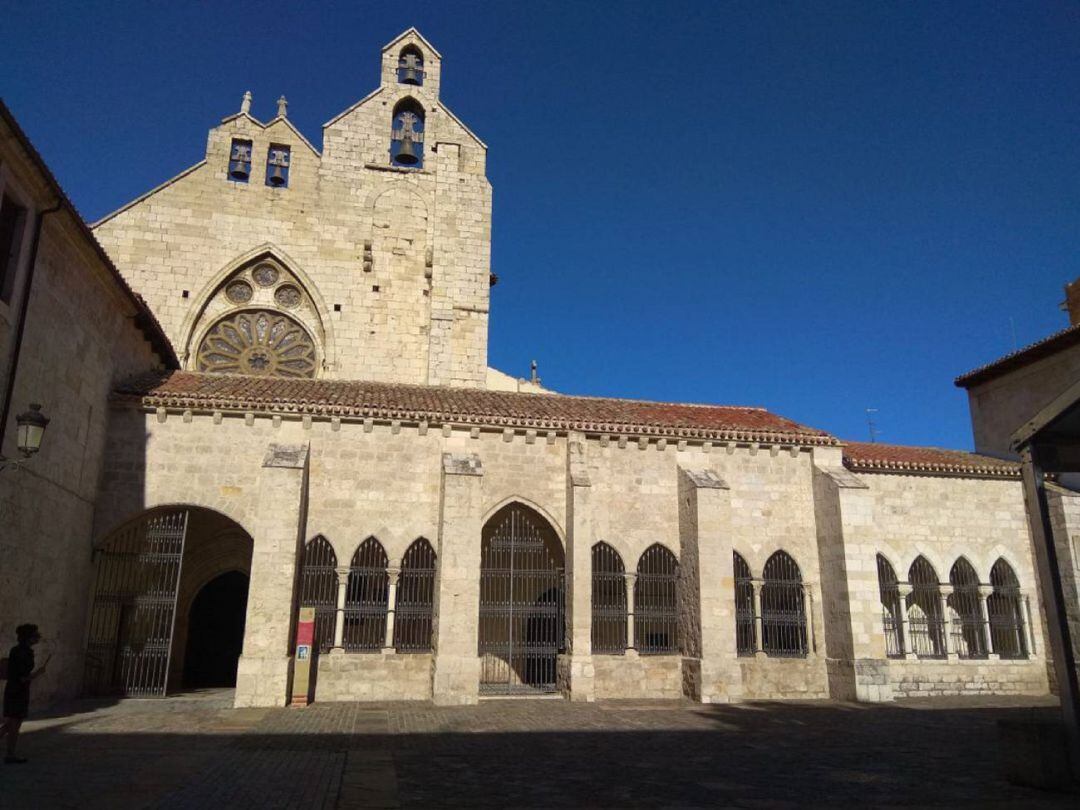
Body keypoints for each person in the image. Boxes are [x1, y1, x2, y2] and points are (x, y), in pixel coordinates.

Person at [0, 624, 49, 764]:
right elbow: (23, 677)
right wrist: (38, 673)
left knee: (11, 723)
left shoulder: (16, 650)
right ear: (29, 638)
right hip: (18, 691)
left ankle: (10, 753)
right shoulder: (24, 653)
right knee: (14, 724)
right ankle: (10, 754)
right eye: (35, 635)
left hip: (13, 689)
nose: (38, 637)